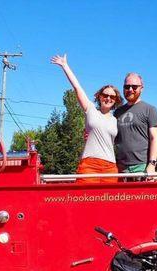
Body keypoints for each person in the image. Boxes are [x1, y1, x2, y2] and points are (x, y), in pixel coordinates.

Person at [51, 54, 123, 183]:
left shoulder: (116, 119)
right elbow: (77, 87)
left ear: (116, 100)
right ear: (99, 96)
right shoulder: (90, 109)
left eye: (112, 97)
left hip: (110, 167)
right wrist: (65, 66)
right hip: (89, 165)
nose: (108, 98)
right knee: (84, 199)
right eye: (105, 95)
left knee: (109, 201)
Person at [114, 72, 157, 175]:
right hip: (120, 168)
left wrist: (152, 164)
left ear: (141, 88)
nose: (130, 89)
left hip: (142, 168)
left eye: (134, 87)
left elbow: (155, 138)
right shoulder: (117, 112)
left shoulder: (150, 109)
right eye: (127, 86)